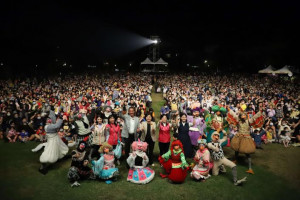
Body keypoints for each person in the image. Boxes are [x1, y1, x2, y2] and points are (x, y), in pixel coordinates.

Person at [227, 105, 264, 174]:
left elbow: (254, 117)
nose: (243, 116)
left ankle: (250, 168)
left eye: (244, 115)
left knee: (247, 153)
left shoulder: (248, 121)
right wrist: (229, 110)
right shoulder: (239, 121)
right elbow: (234, 116)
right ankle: (235, 159)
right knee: (236, 149)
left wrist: (260, 111)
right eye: (242, 115)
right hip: (239, 136)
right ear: (240, 116)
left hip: (246, 138)